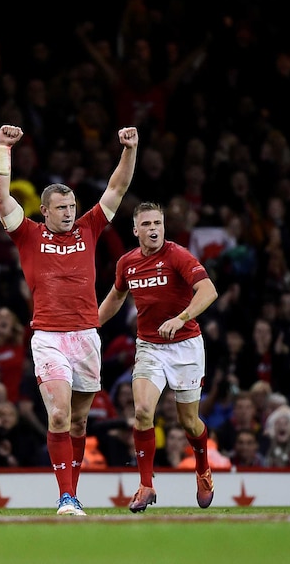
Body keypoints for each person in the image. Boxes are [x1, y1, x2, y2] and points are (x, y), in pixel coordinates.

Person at [0, 123, 138, 515]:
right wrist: (4, 148)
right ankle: (65, 497)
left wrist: (129, 149)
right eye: (61, 207)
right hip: (49, 337)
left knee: (77, 423)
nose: (70, 213)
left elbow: (117, 189)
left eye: (72, 206)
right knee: (57, 413)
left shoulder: (89, 227)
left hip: (86, 337)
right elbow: (1, 196)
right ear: (45, 210)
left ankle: (72, 493)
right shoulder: (27, 234)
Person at [98, 201, 218, 512]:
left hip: (186, 345)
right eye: (147, 224)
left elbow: (208, 291)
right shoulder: (127, 263)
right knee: (142, 412)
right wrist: (91, 324)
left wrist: (181, 317)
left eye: (158, 223)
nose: (153, 229)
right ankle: (146, 485)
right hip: (149, 346)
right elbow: (116, 296)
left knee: (188, 421)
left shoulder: (178, 255)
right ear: (135, 229)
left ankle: (203, 468)